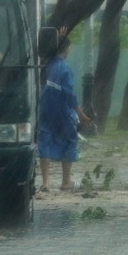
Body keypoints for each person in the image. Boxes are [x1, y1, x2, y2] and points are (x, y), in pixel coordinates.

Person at [39, 33, 92, 190]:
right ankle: (66, 181)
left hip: (44, 109)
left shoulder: (45, 67)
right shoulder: (65, 69)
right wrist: (81, 114)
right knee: (69, 141)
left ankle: (45, 182)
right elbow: (69, 94)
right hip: (62, 110)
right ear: (67, 49)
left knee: (45, 141)